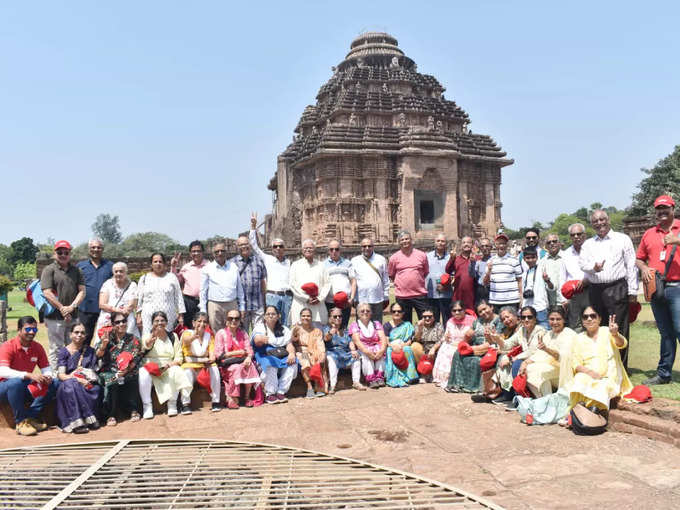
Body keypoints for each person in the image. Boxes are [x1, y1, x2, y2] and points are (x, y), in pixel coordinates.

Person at [579, 209, 638, 368]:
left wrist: (632, 291)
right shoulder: (588, 244)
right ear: (592, 225)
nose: (599, 223)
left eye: (602, 219)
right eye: (595, 221)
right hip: (596, 290)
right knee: (598, 329)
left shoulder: (622, 239)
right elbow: (582, 264)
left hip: (617, 288)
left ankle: (621, 369)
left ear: (608, 220)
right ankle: (603, 367)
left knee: (618, 328)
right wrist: (594, 268)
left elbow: (631, 266)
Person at [636, 195, 680, 385]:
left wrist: (677, 241)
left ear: (673, 209)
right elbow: (639, 258)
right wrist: (644, 268)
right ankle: (664, 374)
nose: (661, 212)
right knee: (665, 332)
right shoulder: (649, 234)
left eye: (665, 208)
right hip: (657, 288)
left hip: (677, 288)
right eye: (658, 209)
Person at [566, 306, 633, 411]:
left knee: (601, 387)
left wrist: (615, 334)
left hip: (610, 377)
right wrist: (589, 372)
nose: (589, 319)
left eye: (593, 316)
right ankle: (577, 413)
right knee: (579, 380)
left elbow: (622, 344)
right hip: (589, 375)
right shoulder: (579, 338)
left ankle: (594, 416)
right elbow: (576, 363)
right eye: (585, 317)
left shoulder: (607, 331)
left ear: (599, 319)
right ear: (582, 321)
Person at [0, 316, 56, 436]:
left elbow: (46, 368)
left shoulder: (37, 347)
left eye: (34, 330)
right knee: (15, 382)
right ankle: (20, 422)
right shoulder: (8, 346)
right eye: (28, 329)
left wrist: (48, 376)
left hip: (24, 387)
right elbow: (2, 371)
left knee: (54, 383)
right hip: (4, 388)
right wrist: (28, 375)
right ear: (19, 330)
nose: (31, 332)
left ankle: (30, 418)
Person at [40, 240, 86, 371]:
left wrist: (72, 307)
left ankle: (71, 373)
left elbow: (82, 291)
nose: (63, 255)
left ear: (70, 254)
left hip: (74, 316)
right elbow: (47, 293)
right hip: (54, 317)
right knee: (56, 348)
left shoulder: (76, 270)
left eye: (66, 252)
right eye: (60, 252)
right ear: (55, 253)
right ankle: (56, 377)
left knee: (74, 346)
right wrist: (62, 308)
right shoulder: (49, 270)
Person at [139, 311, 193, 419]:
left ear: (167, 322)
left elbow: (179, 357)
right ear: (152, 323)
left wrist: (168, 365)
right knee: (142, 373)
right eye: (156, 321)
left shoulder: (173, 336)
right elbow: (145, 347)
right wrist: (150, 340)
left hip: (168, 366)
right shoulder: (147, 336)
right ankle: (147, 406)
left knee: (176, 370)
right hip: (151, 367)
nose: (160, 323)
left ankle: (172, 404)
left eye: (162, 320)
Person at [492, 306, 546, 407]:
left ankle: (520, 399)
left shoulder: (540, 331)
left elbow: (533, 351)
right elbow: (507, 344)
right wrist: (497, 339)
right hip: (524, 358)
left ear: (535, 319)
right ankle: (508, 395)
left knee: (516, 364)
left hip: (537, 360)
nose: (526, 320)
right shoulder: (522, 331)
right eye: (523, 317)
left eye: (529, 317)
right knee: (504, 359)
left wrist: (515, 357)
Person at [96, 311, 143, 426]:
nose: (121, 324)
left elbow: (136, 358)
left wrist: (125, 371)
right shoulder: (107, 337)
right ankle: (110, 415)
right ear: (112, 324)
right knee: (111, 380)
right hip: (109, 370)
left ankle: (133, 410)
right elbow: (98, 355)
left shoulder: (134, 339)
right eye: (118, 322)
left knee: (134, 376)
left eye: (124, 321)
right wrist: (104, 344)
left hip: (128, 370)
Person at [517, 306, 576, 397]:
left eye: (558, 319)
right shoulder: (549, 334)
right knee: (528, 369)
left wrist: (546, 349)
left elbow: (561, 357)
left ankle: (547, 400)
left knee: (537, 371)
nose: (555, 322)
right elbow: (539, 354)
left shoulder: (569, 334)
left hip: (565, 372)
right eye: (552, 319)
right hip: (551, 369)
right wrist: (525, 362)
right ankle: (546, 399)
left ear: (564, 320)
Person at [447, 300, 503, 393]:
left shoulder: (499, 321)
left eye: (485, 309)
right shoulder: (478, 321)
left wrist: (473, 349)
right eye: (480, 312)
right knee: (458, 353)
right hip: (475, 345)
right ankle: (457, 385)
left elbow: (497, 340)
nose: (483, 313)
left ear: (491, 307)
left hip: (490, 347)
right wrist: (467, 337)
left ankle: (474, 388)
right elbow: (468, 336)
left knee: (476, 360)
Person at [56, 321, 101, 433]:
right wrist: (76, 379)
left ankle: (85, 420)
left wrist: (83, 379)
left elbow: (93, 371)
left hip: (86, 382)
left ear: (85, 336)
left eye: (82, 333)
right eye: (76, 332)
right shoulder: (64, 352)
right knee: (72, 385)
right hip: (67, 383)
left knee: (95, 389)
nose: (79, 335)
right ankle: (79, 423)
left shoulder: (90, 351)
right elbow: (61, 375)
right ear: (70, 334)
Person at [250, 213, 292, 326]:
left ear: (285, 248)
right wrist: (253, 228)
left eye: (280, 246)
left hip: (287, 296)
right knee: (271, 323)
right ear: (272, 249)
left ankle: (284, 344)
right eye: (275, 246)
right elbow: (254, 247)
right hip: (272, 296)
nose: (278, 248)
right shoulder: (267, 259)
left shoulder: (289, 263)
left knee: (286, 324)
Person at [214, 310, 261, 409]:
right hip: (227, 364)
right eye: (230, 318)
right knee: (236, 368)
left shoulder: (243, 333)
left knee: (250, 365)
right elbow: (218, 354)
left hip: (242, 360)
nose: (233, 321)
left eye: (236, 318)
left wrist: (248, 357)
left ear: (240, 320)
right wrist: (237, 353)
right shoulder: (221, 333)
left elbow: (249, 349)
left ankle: (247, 397)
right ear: (226, 320)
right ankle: (233, 397)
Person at [252, 305, 298, 404]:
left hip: (281, 354)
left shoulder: (284, 329)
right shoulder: (260, 327)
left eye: (273, 314)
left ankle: (281, 391)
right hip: (264, 354)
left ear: (278, 316)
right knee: (270, 364)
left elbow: (289, 344)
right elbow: (256, 340)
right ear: (264, 316)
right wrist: (262, 339)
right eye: (268, 314)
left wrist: (291, 354)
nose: (270, 316)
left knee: (293, 363)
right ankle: (270, 393)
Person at [200, 240, 246, 334]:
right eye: (217, 252)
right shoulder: (207, 268)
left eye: (222, 251)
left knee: (233, 331)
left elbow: (239, 289)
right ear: (213, 254)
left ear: (226, 253)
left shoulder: (233, 267)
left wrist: (242, 307)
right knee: (216, 333)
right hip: (214, 305)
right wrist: (203, 310)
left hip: (231, 304)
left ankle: (231, 349)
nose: (220, 253)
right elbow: (203, 291)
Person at [179, 313, 221, 412]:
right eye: (199, 321)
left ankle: (216, 401)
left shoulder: (209, 336)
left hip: (204, 366)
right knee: (187, 373)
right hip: (190, 365)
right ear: (193, 323)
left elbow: (212, 353)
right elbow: (186, 342)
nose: (202, 324)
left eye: (205, 322)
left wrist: (211, 358)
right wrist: (195, 336)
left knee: (214, 368)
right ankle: (185, 404)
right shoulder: (187, 333)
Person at [136, 253, 185, 337]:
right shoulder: (144, 278)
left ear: (164, 264)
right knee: (149, 339)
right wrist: (138, 316)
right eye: (155, 262)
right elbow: (139, 299)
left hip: (168, 316)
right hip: (148, 316)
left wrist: (181, 315)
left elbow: (178, 296)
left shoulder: (171, 277)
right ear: (151, 264)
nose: (158, 264)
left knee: (167, 339)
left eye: (160, 261)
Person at [76, 238, 113, 344]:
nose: (96, 249)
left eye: (98, 247)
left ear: (102, 249)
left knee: (106, 338)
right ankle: (83, 360)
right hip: (85, 308)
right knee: (84, 339)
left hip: (105, 309)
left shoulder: (110, 266)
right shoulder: (81, 266)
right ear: (89, 249)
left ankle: (103, 360)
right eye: (93, 247)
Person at [93, 262, 138, 347]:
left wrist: (122, 314)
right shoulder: (107, 284)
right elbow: (102, 304)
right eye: (116, 271)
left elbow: (132, 304)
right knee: (105, 344)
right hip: (108, 320)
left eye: (121, 271)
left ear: (126, 272)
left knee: (127, 345)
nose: (118, 273)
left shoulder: (132, 285)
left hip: (126, 320)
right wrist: (119, 311)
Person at [388, 230, 429, 323]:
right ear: (399, 242)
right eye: (402, 240)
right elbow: (392, 274)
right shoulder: (394, 258)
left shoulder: (421, 255)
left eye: (407, 239)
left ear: (411, 240)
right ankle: (408, 338)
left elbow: (425, 272)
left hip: (419, 294)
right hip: (402, 296)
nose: (405, 241)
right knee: (404, 324)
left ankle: (424, 338)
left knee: (425, 320)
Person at [432, 301, 475, 387]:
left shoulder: (472, 320)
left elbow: (473, 337)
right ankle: (442, 378)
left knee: (453, 352)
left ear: (464, 310)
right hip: (450, 344)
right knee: (445, 349)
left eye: (460, 310)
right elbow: (446, 336)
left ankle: (452, 379)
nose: (457, 312)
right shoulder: (450, 321)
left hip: (465, 345)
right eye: (454, 310)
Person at [289, 239, 331, 327]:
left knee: (317, 333)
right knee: (300, 333)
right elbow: (292, 285)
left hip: (317, 304)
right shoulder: (295, 265)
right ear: (302, 250)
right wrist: (306, 298)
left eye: (310, 248)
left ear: (315, 250)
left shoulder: (321, 265)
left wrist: (320, 298)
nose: (308, 250)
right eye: (305, 248)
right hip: (300, 303)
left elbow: (327, 284)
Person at [324, 307, 365, 393]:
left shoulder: (345, 329)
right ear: (329, 318)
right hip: (332, 352)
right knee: (331, 358)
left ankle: (356, 382)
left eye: (340, 316)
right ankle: (332, 385)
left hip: (344, 353)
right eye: (335, 316)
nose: (338, 318)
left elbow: (350, 342)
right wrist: (331, 332)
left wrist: (353, 350)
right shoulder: (326, 329)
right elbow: (326, 339)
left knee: (356, 355)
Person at [231, 235, 267, 332]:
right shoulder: (232, 263)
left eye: (246, 244)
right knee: (243, 334)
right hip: (242, 305)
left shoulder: (258, 261)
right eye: (241, 245)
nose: (244, 246)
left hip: (257, 303)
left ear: (250, 245)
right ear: (237, 247)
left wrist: (264, 302)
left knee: (260, 333)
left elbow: (263, 282)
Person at [351, 237, 390, 322]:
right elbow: (352, 281)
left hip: (377, 298)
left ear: (373, 247)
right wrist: (353, 298)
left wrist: (386, 295)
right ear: (361, 247)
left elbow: (385, 279)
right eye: (364, 246)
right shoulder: (354, 261)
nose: (367, 248)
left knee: (377, 324)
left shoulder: (381, 259)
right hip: (361, 298)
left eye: (369, 246)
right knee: (361, 325)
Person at [349, 303, 388, 388]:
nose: (365, 312)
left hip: (376, 347)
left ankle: (380, 377)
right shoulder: (354, 325)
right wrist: (368, 352)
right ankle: (370, 379)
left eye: (368, 311)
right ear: (358, 314)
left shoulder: (376, 324)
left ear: (371, 313)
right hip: (363, 348)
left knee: (380, 351)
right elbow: (357, 342)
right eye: (362, 311)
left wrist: (381, 351)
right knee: (366, 356)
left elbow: (383, 338)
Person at [521, 246, 560, 329]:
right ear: (524, 259)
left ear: (537, 257)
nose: (530, 260)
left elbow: (551, 287)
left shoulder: (542, 269)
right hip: (528, 308)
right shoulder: (525, 274)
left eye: (533, 257)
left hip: (540, 308)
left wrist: (548, 281)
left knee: (544, 332)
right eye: (528, 258)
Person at [171, 241, 208, 327]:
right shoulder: (186, 267)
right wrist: (173, 267)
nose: (196, 253)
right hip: (188, 302)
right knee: (188, 325)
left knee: (204, 326)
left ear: (203, 252)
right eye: (193, 251)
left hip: (205, 301)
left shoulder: (209, 266)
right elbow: (176, 282)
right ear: (190, 253)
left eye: (198, 251)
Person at [560, 223, 590, 331]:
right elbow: (563, 277)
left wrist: (587, 280)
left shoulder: (592, 250)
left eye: (579, 234)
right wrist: (564, 299)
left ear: (584, 235)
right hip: (573, 295)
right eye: (573, 235)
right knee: (575, 326)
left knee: (591, 323)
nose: (576, 237)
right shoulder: (566, 254)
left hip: (590, 291)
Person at [291, 308, 327, 397]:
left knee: (318, 358)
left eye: (308, 316)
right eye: (303, 316)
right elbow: (292, 341)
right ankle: (309, 387)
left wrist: (322, 355)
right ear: (300, 317)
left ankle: (318, 386)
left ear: (311, 317)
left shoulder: (317, 331)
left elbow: (320, 344)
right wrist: (294, 335)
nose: (306, 318)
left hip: (314, 351)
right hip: (301, 351)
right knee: (305, 361)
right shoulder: (296, 329)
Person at [382, 302, 419, 387]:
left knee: (407, 349)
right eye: (394, 311)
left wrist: (404, 345)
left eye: (399, 311)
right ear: (391, 312)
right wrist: (393, 346)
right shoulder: (387, 325)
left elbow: (410, 339)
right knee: (389, 351)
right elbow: (386, 340)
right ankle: (392, 377)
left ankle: (410, 377)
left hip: (403, 345)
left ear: (403, 313)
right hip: (391, 346)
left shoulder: (407, 325)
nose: (396, 313)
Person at [484, 233, 523, 313]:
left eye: (503, 243)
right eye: (499, 243)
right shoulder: (490, 261)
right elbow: (485, 283)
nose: (501, 246)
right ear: (495, 245)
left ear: (507, 245)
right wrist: (489, 271)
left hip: (511, 300)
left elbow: (520, 280)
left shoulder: (514, 260)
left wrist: (521, 296)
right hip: (496, 301)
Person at [324, 240, 356, 329]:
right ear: (328, 251)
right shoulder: (323, 265)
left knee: (343, 325)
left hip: (345, 302)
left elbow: (353, 281)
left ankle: (343, 342)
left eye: (336, 249)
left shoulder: (348, 263)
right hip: (330, 301)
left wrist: (352, 298)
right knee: (330, 326)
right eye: (331, 249)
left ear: (340, 250)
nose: (334, 251)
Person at [425, 234, 452, 324]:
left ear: (446, 244)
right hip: (431, 295)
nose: (440, 243)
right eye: (438, 241)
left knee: (447, 321)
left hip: (446, 295)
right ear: (434, 242)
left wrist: (447, 285)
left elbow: (454, 275)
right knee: (432, 321)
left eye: (442, 241)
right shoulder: (427, 257)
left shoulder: (451, 258)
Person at [445, 236, 476, 313]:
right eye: (464, 242)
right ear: (461, 245)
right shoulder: (456, 259)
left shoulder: (476, 259)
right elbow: (448, 270)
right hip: (458, 293)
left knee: (472, 317)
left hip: (472, 294)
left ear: (472, 245)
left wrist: (473, 261)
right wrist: (451, 259)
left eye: (468, 242)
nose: (466, 244)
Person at [542, 233, 565, 309]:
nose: (552, 244)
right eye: (549, 242)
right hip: (551, 303)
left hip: (567, 300)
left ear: (559, 243)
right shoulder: (542, 261)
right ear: (546, 245)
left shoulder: (567, 257)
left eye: (554, 241)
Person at [472, 238, 493, 305]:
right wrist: (472, 263)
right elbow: (472, 275)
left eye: (487, 246)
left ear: (491, 247)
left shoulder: (495, 260)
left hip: (492, 289)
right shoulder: (478, 263)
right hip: (481, 290)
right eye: (482, 246)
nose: (484, 248)